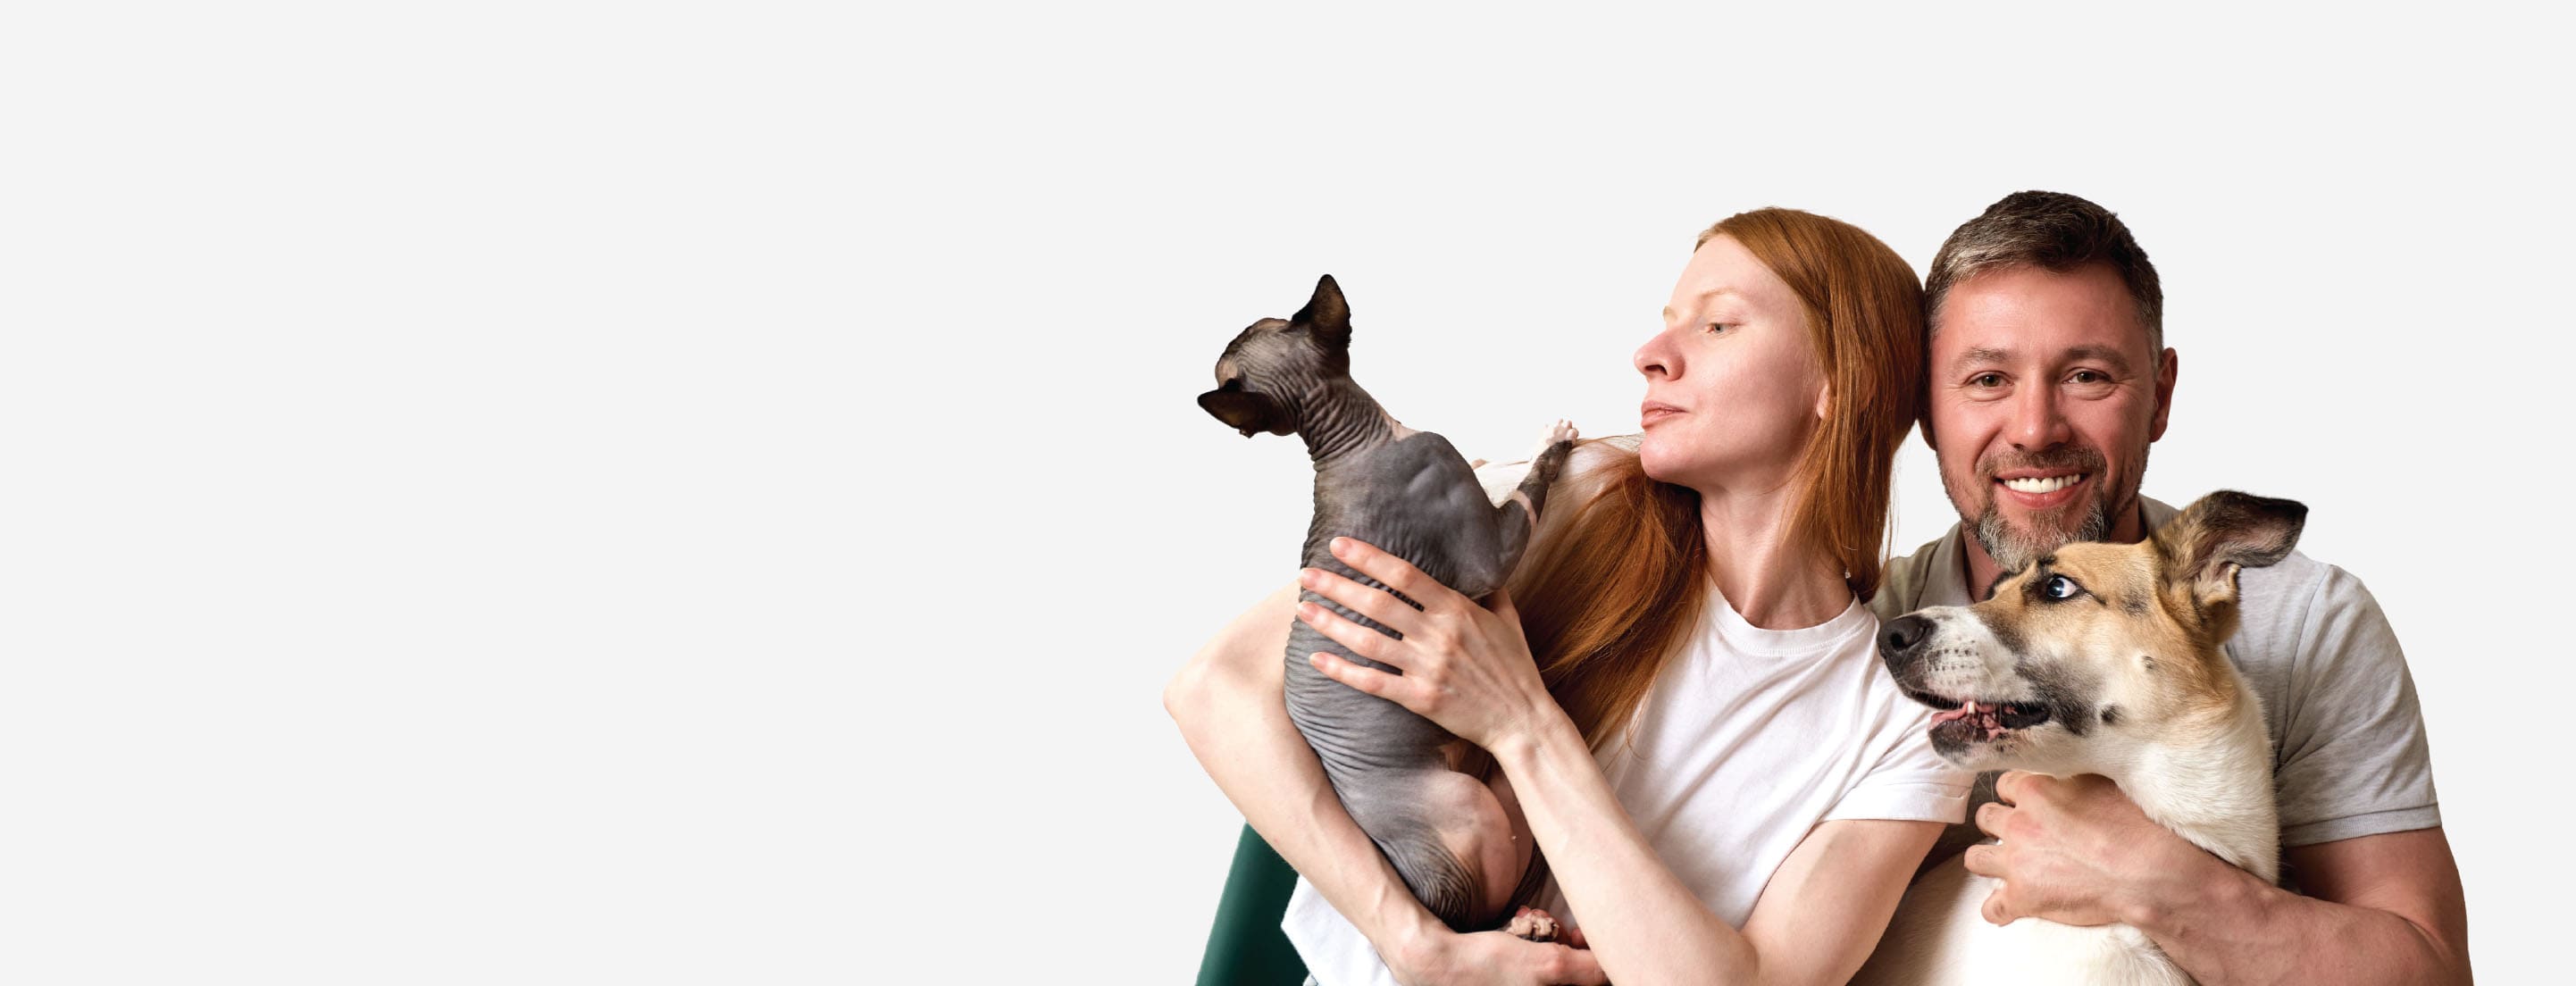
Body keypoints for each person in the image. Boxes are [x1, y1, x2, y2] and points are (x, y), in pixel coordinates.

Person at [1167, 207, 1973, 986]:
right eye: (1667, 319)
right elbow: (1216, 688)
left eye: (1718, 325)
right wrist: (1415, 946)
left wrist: (1522, 726)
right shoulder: (1567, 497)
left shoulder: (1900, 722)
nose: (1652, 354)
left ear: (1840, 382)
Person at [1867, 190, 2471, 982]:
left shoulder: (2305, 622)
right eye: (1986, 379)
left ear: (2159, 394)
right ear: (1924, 410)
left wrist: (2161, 884)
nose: (2036, 428)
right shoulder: (1860, 627)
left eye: (2087, 375)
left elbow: (2429, 971)